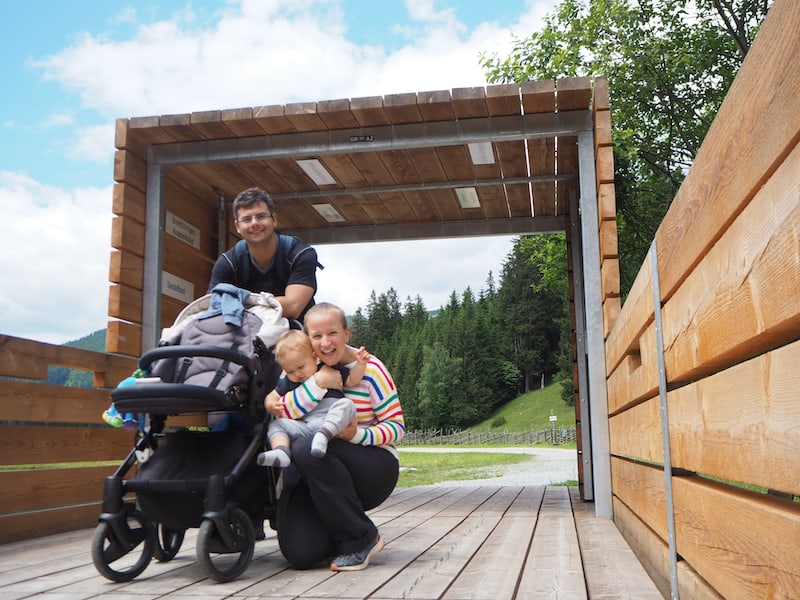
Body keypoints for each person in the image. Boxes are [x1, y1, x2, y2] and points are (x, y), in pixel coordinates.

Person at [266, 302, 405, 572]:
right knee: (300, 554)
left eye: (333, 333)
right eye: (316, 336)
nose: (325, 342)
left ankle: (361, 539)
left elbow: (396, 426)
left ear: (347, 334)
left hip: (372, 466)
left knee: (307, 446)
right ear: (308, 339)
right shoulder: (298, 365)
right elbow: (284, 410)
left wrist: (355, 434)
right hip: (317, 467)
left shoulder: (371, 369)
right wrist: (317, 382)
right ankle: (334, 527)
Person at [257, 329, 371, 466]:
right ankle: (281, 451)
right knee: (276, 424)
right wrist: (270, 404)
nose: (297, 374)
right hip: (305, 425)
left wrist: (361, 364)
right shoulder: (289, 381)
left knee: (346, 405)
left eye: (301, 367)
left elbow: (352, 380)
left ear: (314, 357)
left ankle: (323, 436)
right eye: (290, 371)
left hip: (329, 420)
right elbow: (272, 396)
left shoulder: (328, 368)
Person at [208, 187, 320, 321]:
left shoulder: (300, 254)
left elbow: (293, 307)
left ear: (274, 219)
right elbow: (213, 307)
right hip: (244, 334)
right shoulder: (228, 263)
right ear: (237, 226)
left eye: (261, 216)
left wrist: (235, 305)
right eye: (247, 219)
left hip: (295, 335)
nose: (254, 223)